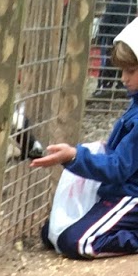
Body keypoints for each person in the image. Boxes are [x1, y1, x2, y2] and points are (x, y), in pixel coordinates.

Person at [35, 15, 138, 258]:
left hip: (131, 197)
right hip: (117, 190)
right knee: (50, 233)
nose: (123, 78)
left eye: (131, 71)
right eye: (122, 71)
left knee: (76, 242)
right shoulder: (135, 103)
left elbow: (119, 167)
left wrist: (74, 157)